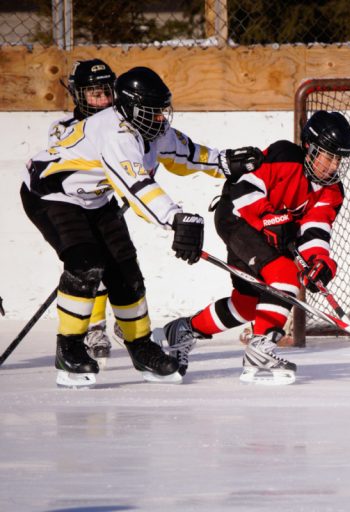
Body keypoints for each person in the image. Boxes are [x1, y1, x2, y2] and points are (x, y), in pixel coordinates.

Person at [20, 66, 254, 387]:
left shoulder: (150, 128)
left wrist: (223, 162)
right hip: (50, 192)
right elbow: (137, 186)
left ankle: (142, 347)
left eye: (162, 111)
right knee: (85, 263)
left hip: (95, 198)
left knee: (126, 272)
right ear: (129, 108)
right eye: (152, 112)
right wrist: (175, 218)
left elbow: (187, 154)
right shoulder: (115, 134)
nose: (160, 118)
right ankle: (70, 349)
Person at [159, 110, 350, 385]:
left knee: (249, 304)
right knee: (285, 275)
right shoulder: (284, 155)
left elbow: (316, 229)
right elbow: (244, 189)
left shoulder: (332, 191)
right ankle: (260, 350)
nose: (333, 166)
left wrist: (318, 262)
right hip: (238, 218)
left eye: (339, 159)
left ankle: (183, 330)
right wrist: (270, 221)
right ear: (309, 148)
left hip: (269, 234)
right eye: (328, 155)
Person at [49, 58, 118, 365]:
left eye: (106, 92)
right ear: (79, 95)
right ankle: (91, 328)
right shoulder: (62, 129)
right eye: (94, 93)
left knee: (116, 264)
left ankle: (102, 326)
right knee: (88, 266)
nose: (102, 99)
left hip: (103, 207)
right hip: (71, 210)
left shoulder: (120, 124)